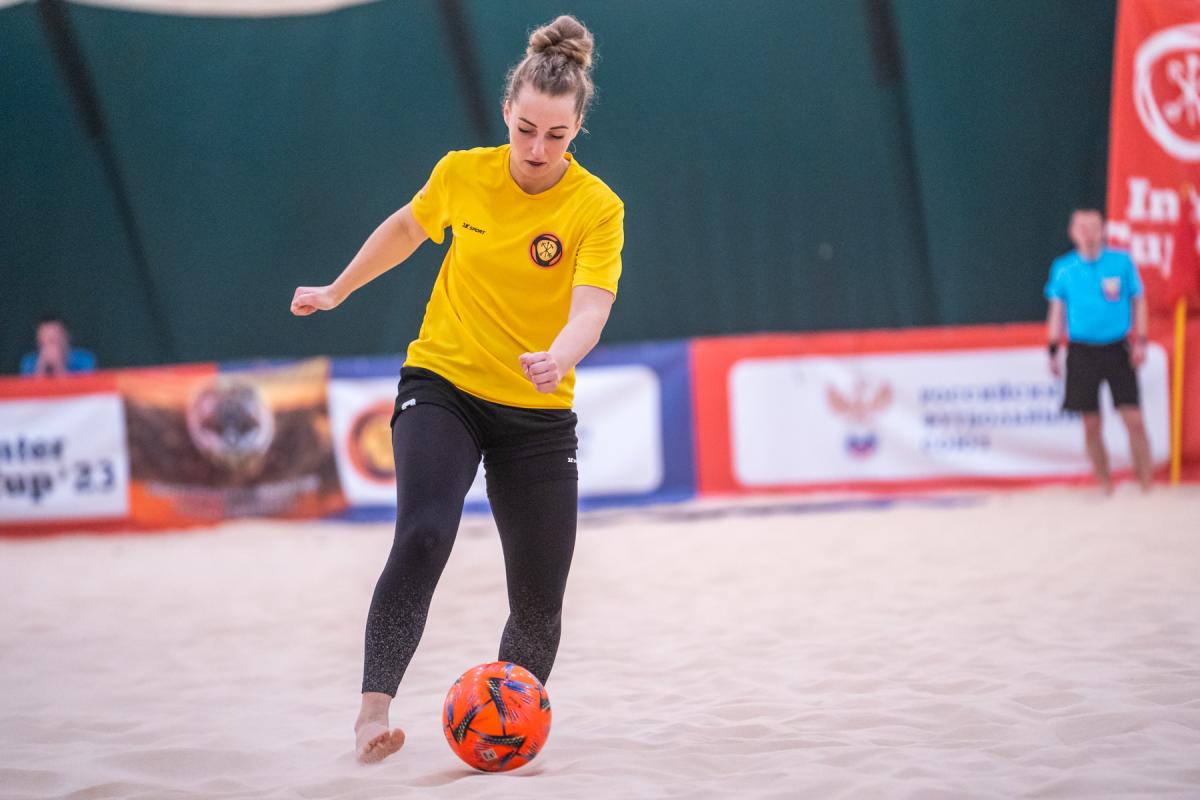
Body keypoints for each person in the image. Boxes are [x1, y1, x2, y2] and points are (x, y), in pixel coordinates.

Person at [289, 15, 623, 764]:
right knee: (424, 533)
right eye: (526, 129)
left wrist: (559, 355)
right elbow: (407, 229)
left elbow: (592, 308)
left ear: (577, 130)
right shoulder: (463, 174)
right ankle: (372, 714)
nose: (537, 149)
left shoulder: (597, 207)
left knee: (539, 598)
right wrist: (338, 289)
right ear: (507, 111)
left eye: (556, 136)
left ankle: (502, 731)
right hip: (445, 383)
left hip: (537, 411)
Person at [1045, 208, 1152, 493]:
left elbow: (1139, 300)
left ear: (1103, 230)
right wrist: (1053, 349)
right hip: (1082, 351)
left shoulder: (1121, 262)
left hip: (1117, 347)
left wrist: (1141, 340)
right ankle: (1106, 486)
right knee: (1091, 424)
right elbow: (1056, 311)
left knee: (1134, 420)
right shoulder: (1064, 267)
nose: (1088, 234)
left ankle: (1147, 486)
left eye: (1093, 227)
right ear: (1072, 233)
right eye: (1082, 228)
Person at [19, 314, 97, 377]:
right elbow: (30, 390)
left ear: (67, 337)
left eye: (55, 338)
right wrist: (41, 368)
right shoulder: (29, 362)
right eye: (46, 339)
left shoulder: (84, 360)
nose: (51, 345)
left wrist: (59, 367)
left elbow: (84, 389)